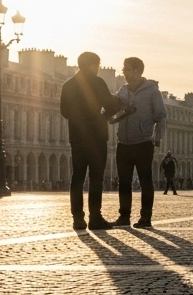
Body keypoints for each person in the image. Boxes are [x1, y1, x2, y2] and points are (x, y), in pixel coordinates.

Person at [61, 52, 123, 229]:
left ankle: (78, 219)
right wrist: (114, 105)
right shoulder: (97, 82)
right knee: (96, 178)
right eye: (97, 64)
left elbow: (64, 111)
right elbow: (110, 106)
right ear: (92, 64)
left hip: (77, 137)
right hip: (96, 137)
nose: (98, 68)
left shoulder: (68, 85)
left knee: (77, 177)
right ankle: (95, 217)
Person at [108, 57, 167, 228]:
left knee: (145, 180)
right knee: (124, 181)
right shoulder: (123, 90)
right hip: (123, 142)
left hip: (143, 142)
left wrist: (157, 138)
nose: (124, 72)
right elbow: (114, 107)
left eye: (127, 69)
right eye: (123, 69)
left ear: (136, 71)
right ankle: (124, 216)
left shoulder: (152, 91)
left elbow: (160, 116)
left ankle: (145, 218)